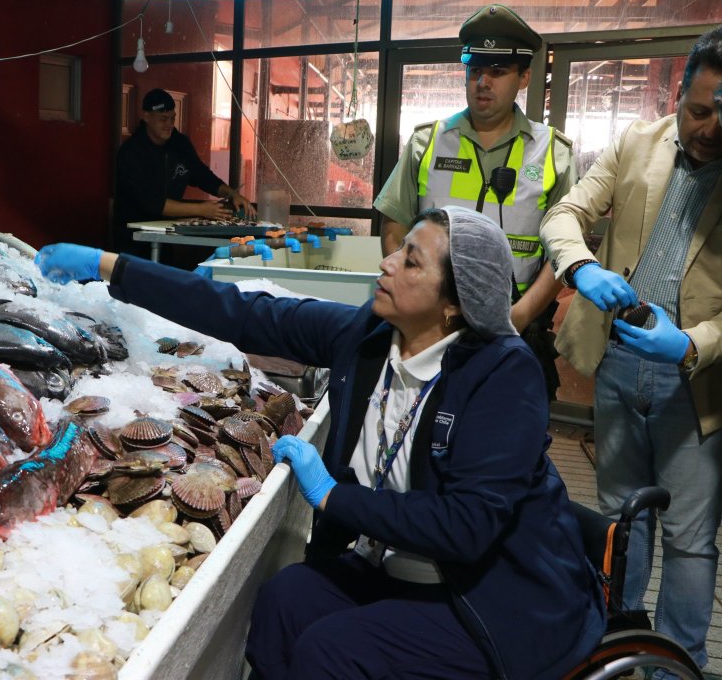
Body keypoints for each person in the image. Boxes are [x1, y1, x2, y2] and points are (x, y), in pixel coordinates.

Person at [35, 206, 605, 679]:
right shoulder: (370, 338)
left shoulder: (503, 376)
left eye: (410, 260)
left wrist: (333, 497)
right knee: (286, 600)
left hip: (492, 600)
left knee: (330, 651)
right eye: (397, 248)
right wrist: (108, 265)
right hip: (400, 571)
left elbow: (466, 526)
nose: (386, 262)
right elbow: (241, 312)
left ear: (456, 303)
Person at [539, 26, 722, 678]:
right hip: (619, 369)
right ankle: (618, 648)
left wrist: (693, 343)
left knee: (692, 543)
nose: (711, 126)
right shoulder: (635, 144)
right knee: (622, 520)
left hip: (697, 387)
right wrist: (581, 267)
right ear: (678, 94)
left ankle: (678, 668)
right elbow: (564, 214)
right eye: (700, 109)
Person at [374, 4, 576, 399]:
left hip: (515, 323)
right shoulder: (427, 142)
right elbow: (395, 222)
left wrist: (522, 314)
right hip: (431, 325)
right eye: (475, 71)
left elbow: (562, 252)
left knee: (504, 438)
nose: (483, 82)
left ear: (524, 76)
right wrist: (410, 292)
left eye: (497, 72)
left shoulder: (552, 152)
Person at [113, 88, 255, 259]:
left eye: (172, 119)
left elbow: (202, 175)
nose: (169, 125)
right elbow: (151, 203)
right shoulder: (131, 152)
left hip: (166, 235)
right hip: (132, 237)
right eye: (163, 119)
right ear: (146, 117)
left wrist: (231, 193)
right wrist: (201, 210)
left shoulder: (179, 144)